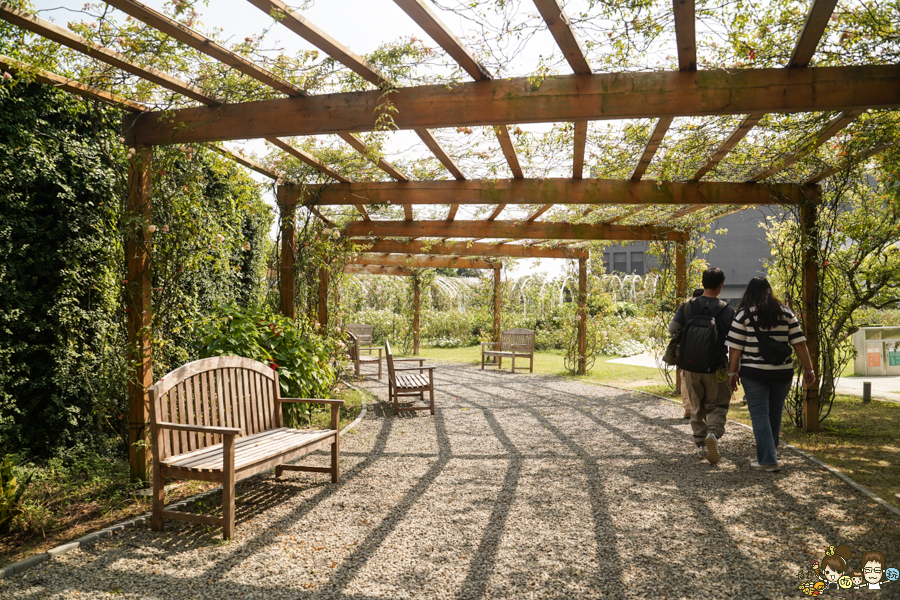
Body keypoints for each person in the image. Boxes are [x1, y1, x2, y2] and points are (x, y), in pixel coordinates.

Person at [725, 277, 816, 472]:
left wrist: (731, 372)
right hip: (782, 372)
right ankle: (770, 453)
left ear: (748, 292)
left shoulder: (743, 315)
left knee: (759, 414)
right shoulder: (786, 313)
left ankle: (767, 459)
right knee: (774, 412)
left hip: (754, 372)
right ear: (769, 291)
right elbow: (799, 343)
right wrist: (809, 369)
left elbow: (735, 349)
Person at [669, 268, 734, 464]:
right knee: (717, 403)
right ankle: (713, 434)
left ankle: (701, 446)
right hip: (716, 366)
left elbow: (672, 328)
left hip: (690, 365)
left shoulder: (688, 305)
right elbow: (736, 340)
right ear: (720, 285)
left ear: (703, 282)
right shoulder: (727, 310)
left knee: (696, 405)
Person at [678, 288, 705, 420]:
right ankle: (703, 408)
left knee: (684, 375)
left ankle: (688, 408)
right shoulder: (713, 307)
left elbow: (673, 328)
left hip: (688, 347)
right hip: (707, 348)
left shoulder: (687, 307)